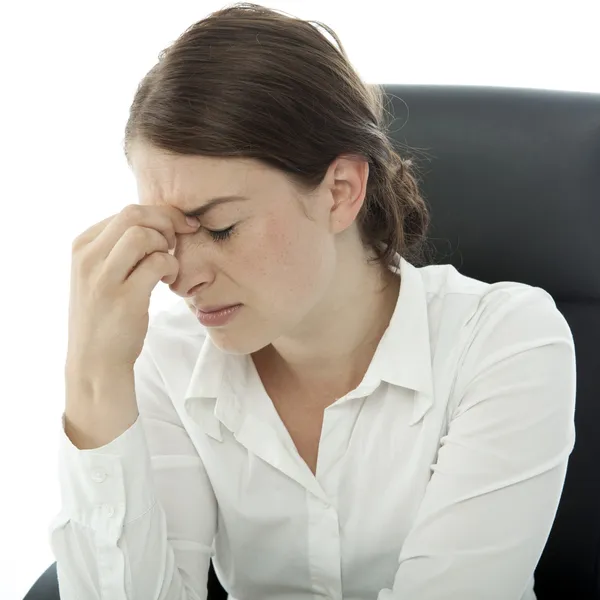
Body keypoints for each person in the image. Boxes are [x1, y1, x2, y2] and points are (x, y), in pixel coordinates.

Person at [48, 3, 577, 599]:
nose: (180, 277)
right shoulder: (168, 361)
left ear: (341, 191)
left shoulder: (505, 341)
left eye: (219, 227)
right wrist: (93, 374)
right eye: (168, 234)